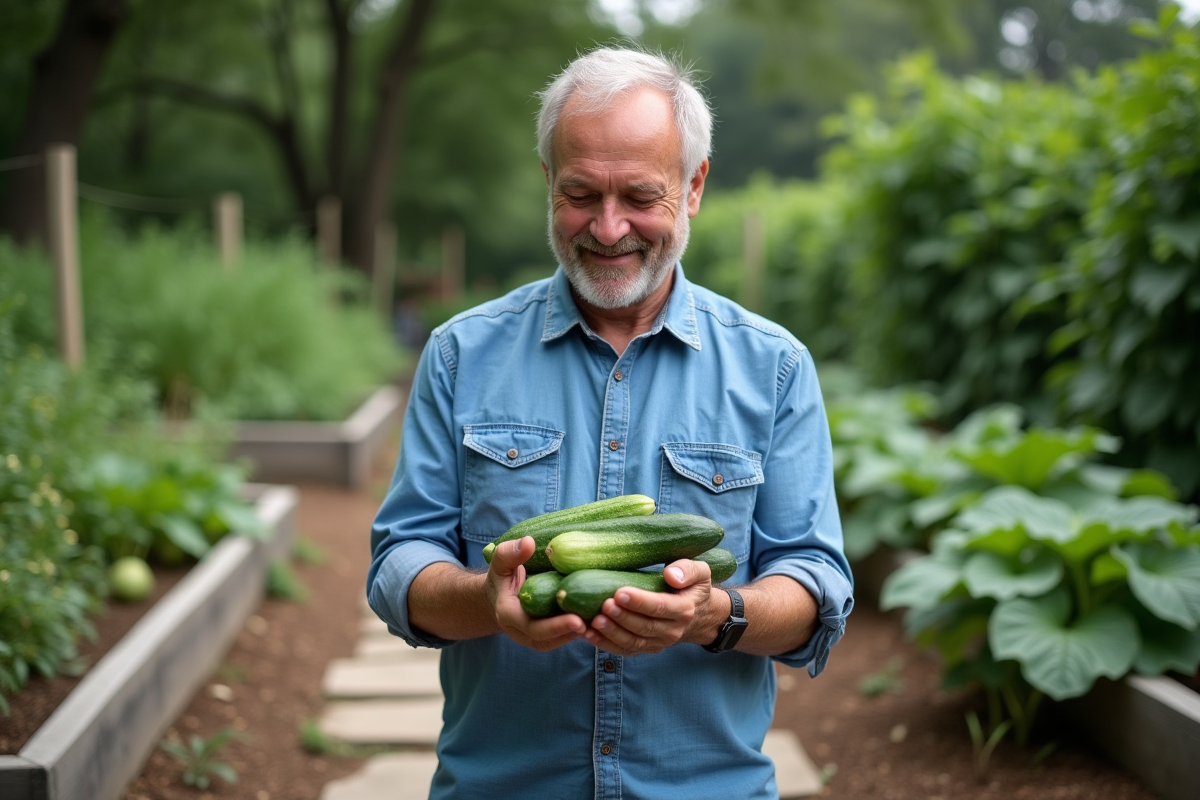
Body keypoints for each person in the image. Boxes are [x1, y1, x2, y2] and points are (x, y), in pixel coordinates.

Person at [367, 46, 853, 800]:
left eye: (639, 194)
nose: (608, 225)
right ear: (547, 184)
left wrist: (713, 615)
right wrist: (486, 602)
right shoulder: (460, 354)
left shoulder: (775, 369)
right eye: (580, 193)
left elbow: (816, 585)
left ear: (693, 187)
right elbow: (399, 564)